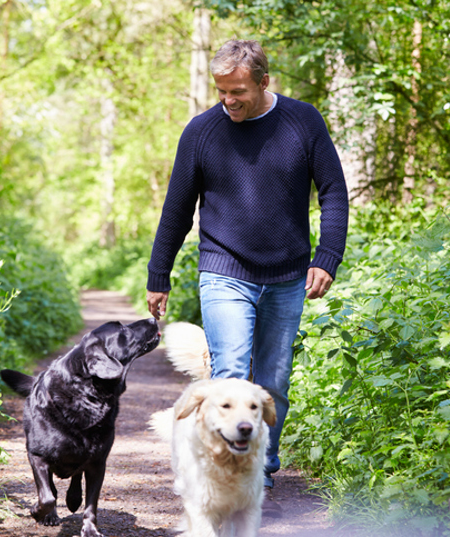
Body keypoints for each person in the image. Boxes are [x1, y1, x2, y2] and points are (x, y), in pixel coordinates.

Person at [146, 39, 349, 517]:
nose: (228, 100)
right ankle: (219, 472)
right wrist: (159, 274)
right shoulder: (201, 132)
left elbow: (334, 192)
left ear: (263, 82)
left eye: (237, 91)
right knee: (232, 375)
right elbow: (177, 210)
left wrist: (328, 256)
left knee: (273, 381)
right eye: (221, 91)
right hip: (223, 270)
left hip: (287, 273)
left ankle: (263, 466)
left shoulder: (303, 122)